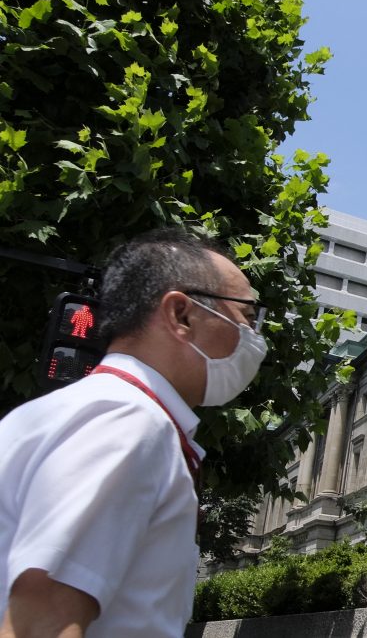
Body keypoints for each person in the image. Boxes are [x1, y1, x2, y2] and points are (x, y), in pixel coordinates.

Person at [0, 228, 268, 637]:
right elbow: (42, 622)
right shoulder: (127, 422)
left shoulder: (84, 412)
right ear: (181, 315)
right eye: (247, 316)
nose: (254, 336)